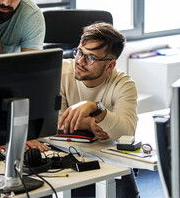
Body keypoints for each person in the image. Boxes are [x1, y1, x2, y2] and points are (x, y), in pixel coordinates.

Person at [57, 22, 139, 198]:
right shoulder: (61, 72)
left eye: (91, 58)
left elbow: (127, 132)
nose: (80, 61)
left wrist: (97, 109)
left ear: (110, 66)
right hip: (63, 150)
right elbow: (52, 122)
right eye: (79, 51)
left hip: (107, 156)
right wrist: (89, 123)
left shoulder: (123, 84)